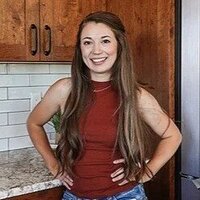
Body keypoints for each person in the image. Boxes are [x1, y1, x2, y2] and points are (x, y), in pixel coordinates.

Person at [26, 11, 182, 200]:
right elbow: (34, 123)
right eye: (87, 42)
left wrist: (147, 172)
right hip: (74, 196)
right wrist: (52, 164)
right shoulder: (64, 89)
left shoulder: (137, 96)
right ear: (80, 49)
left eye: (105, 41)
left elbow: (173, 136)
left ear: (119, 46)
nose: (96, 50)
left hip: (125, 196)